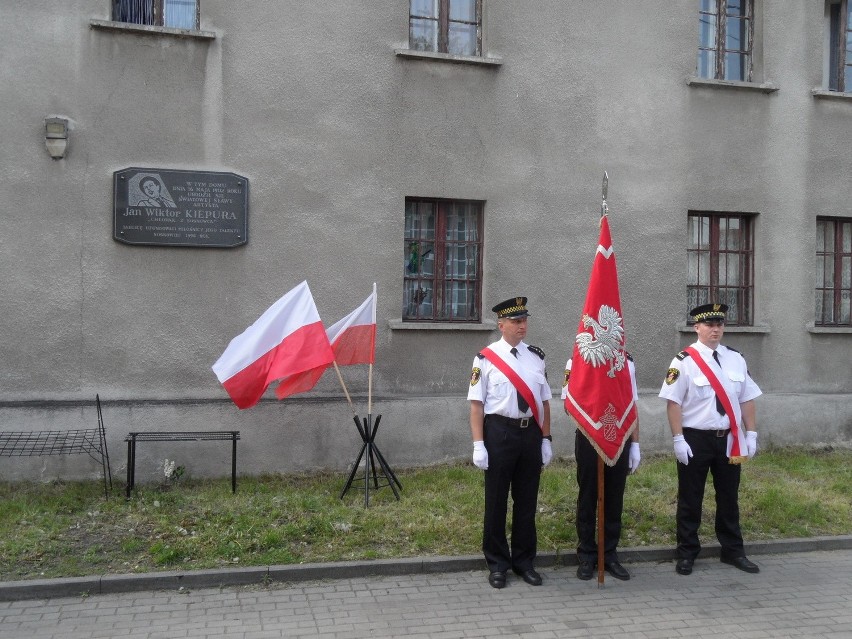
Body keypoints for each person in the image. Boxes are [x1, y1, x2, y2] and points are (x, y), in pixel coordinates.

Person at [658, 303, 762, 576]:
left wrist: (751, 432)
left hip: (728, 438)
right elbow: (673, 403)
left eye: (720, 324)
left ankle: (732, 551)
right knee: (691, 498)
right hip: (696, 438)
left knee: (729, 497)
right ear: (697, 328)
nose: (715, 329)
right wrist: (678, 438)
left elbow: (747, 398)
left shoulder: (735, 358)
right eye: (709, 324)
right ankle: (687, 553)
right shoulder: (683, 361)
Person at [467, 297, 552, 589]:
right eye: (516, 321)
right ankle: (498, 563)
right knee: (496, 501)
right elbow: (477, 406)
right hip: (499, 433)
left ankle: (524, 562)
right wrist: (479, 443)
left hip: (529, 434)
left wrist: (546, 439)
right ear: (501, 325)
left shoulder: (537, 356)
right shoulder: (485, 359)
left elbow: (544, 401)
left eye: (524, 320)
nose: (522, 325)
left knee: (527, 501)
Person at [562, 354, 640, 581]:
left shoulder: (627, 362)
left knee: (614, 496)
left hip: (619, 434)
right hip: (589, 434)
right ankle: (586, 553)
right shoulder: (577, 360)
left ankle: (609, 553)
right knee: (588, 495)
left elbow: (632, 403)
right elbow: (569, 403)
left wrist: (635, 443)